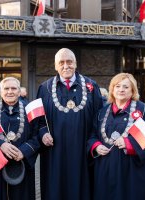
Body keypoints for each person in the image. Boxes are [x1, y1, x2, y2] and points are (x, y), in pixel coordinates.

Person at [37, 48, 103, 200]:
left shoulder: (91, 87)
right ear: (55, 66)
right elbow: (39, 120)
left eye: (69, 62)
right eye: (61, 62)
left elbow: (99, 118)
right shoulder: (45, 88)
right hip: (55, 152)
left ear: (75, 64)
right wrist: (43, 133)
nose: (66, 66)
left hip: (83, 151)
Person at [91, 73, 145, 200]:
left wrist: (129, 143)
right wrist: (96, 146)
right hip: (107, 169)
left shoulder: (143, 111)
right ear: (112, 89)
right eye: (117, 86)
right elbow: (92, 135)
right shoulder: (102, 113)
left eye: (126, 87)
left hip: (134, 171)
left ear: (132, 90)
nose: (121, 90)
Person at [0, 77, 40, 200]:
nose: (10, 91)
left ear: (19, 91)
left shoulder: (29, 110)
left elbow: (37, 136)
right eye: (6, 88)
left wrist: (24, 151)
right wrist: (0, 144)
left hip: (22, 165)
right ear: (1, 91)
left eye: (13, 88)